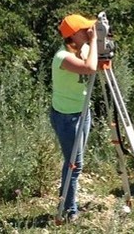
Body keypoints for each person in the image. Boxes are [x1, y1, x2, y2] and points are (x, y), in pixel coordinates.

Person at [50, 13, 98, 221]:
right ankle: (69, 210)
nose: (89, 32)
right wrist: (95, 40)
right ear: (73, 35)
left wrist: (98, 42)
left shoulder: (83, 49)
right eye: (85, 30)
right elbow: (90, 68)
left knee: (74, 163)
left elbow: (96, 59)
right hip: (67, 117)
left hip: (82, 112)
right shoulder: (63, 58)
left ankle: (67, 203)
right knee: (74, 164)